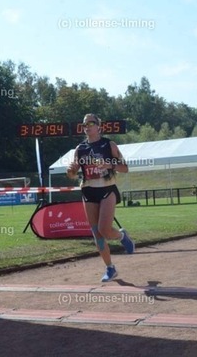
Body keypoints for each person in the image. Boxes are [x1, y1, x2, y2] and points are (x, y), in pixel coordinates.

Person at [67, 113, 134, 282]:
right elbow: (73, 174)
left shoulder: (108, 145)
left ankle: (122, 236)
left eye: (91, 123)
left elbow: (125, 168)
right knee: (97, 233)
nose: (87, 127)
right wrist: (71, 171)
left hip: (107, 189)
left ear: (99, 126)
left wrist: (109, 164)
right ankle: (110, 268)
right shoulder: (80, 149)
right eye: (84, 124)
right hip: (88, 191)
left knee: (105, 229)